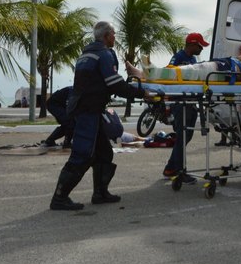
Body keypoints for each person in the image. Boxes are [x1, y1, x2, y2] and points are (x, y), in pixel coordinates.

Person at [49, 21, 153, 211]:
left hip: (87, 109)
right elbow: (115, 84)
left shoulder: (86, 53)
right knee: (82, 154)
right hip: (88, 111)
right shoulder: (103, 54)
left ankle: (100, 193)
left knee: (103, 152)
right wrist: (142, 93)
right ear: (106, 36)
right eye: (113, 34)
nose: (115, 37)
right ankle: (59, 198)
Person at [163, 32, 209, 183]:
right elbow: (170, 73)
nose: (202, 48)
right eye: (200, 45)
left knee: (185, 137)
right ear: (192, 44)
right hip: (180, 103)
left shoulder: (192, 59)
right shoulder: (178, 58)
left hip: (190, 102)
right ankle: (179, 171)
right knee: (183, 136)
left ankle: (171, 167)